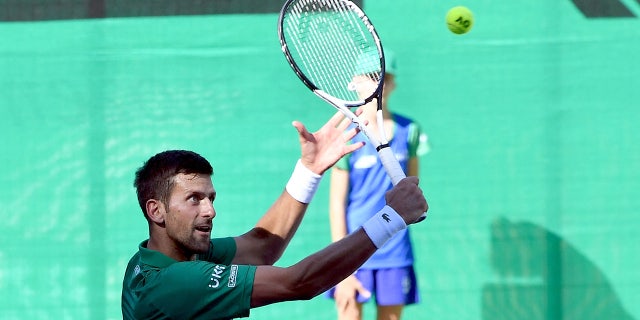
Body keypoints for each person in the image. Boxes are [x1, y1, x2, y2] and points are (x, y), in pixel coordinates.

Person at [121, 112, 428, 320]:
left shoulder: (162, 257)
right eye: (194, 200)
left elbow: (261, 246)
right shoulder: (172, 282)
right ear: (155, 210)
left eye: (210, 198)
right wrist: (390, 218)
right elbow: (299, 283)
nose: (210, 210)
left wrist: (309, 171)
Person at [326, 51, 430, 320]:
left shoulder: (410, 131)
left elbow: (412, 190)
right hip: (354, 249)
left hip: (395, 250)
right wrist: (342, 264)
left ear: (393, 83)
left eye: (385, 77)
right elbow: (337, 203)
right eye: (371, 77)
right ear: (355, 83)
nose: (379, 84)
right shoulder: (348, 133)